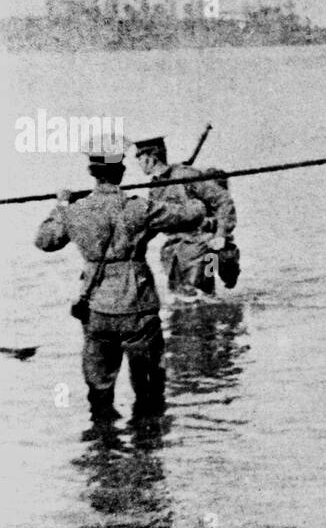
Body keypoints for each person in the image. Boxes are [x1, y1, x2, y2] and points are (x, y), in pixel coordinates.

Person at [34, 145, 207, 419]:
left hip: (96, 309)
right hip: (138, 307)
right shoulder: (140, 208)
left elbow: (45, 240)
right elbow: (191, 215)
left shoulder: (75, 211)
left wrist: (62, 205)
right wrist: (193, 193)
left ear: (92, 172)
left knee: (99, 396)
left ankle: (104, 450)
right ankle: (146, 453)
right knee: (149, 394)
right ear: (122, 172)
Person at [132, 136, 237, 296]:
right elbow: (154, 223)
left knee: (203, 298)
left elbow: (222, 199)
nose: (138, 164)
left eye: (140, 159)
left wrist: (221, 234)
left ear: (150, 159)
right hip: (174, 256)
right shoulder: (155, 188)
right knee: (182, 302)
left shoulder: (185, 175)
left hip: (202, 250)